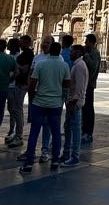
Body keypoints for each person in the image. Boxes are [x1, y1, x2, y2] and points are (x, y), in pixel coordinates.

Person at [18, 42, 70, 175]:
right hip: (55, 103)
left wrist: (33, 98)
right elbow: (67, 84)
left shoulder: (41, 64)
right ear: (59, 52)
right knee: (56, 132)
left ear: (48, 51)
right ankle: (55, 161)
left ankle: (29, 163)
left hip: (39, 102)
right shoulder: (64, 66)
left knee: (34, 132)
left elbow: (32, 83)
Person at [5, 34, 33, 148]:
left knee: (17, 109)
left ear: (27, 42)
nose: (19, 43)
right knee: (17, 109)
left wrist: (15, 64)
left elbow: (24, 69)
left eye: (22, 41)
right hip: (19, 84)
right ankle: (16, 133)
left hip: (21, 85)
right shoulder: (24, 54)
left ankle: (18, 136)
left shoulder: (28, 54)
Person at [62, 44, 87, 166]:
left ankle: (75, 156)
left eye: (71, 51)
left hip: (75, 103)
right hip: (71, 102)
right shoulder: (77, 65)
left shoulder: (80, 66)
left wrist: (74, 101)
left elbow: (80, 88)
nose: (69, 53)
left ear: (77, 53)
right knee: (68, 128)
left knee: (75, 130)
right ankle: (66, 153)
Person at [81, 33, 100, 144]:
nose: (85, 43)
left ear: (92, 42)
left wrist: (86, 56)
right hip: (85, 84)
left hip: (89, 84)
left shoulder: (94, 53)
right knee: (84, 108)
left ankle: (88, 132)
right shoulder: (89, 52)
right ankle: (84, 130)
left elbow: (93, 67)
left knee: (88, 109)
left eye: (87, 41)